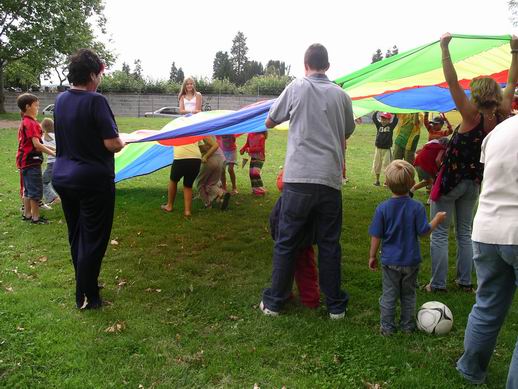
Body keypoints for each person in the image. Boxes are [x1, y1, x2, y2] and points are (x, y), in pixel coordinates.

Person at [260, 43, 356, 319]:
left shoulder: (296, 87)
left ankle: (275, 302)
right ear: (327, 65)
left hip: (299, 178)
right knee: (329, 244)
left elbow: (269, 121)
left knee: (287, 241)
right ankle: (335, 306)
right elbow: (348, 129)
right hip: (329, 179)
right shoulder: (342, 95)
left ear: (305, 64)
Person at [426, 33, 518, 293]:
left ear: (475, 96)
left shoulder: (469, 115)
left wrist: (444, 48)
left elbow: (452, 81)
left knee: (441, 233)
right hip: (475, 182)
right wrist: (514, 50)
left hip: (450, 182)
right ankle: (465, 281)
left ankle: (438, 284)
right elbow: (512, 80)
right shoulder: (502, 114)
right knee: (464, 232)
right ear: (496, 96)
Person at [52, 48, 125, 309]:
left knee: (77, 235)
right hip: (92, 181)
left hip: (63, 177)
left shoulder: (61, 100)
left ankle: (87, 284)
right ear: (93, 74)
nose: (100, 80)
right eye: (101, 74)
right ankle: (87, 297)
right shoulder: (96, 101)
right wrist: (123, 139)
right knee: (94, 239)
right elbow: (112, 144)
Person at [455, 114, 518, 388]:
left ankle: (470, 369)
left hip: (487, 229)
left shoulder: (501, 130)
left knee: (487, 304)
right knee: (487, 304)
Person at [369, 160, 446, 335]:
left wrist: (372, 256)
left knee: (389, 295)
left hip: (390, 261)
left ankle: (387, 328)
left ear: (387, 184)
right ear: (412, 184)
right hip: (411, 261)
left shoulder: (382, 209)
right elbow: (424, 232)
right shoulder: (417, 207)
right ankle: (407, 326)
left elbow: (376, 236)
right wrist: (437, 220)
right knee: (408, 295)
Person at [271, 169, 320, 308]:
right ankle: (308, 298)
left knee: (287, 266)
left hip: (289, 243)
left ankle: (299, 296)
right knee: (304, 268)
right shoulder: (308, 201)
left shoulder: (283, 201)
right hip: (300, 243)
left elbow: (274, 220)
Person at [161, 77, 203, 216]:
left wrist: (192, 114)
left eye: (192, 83)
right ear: (185, 86)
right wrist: (192, 113)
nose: (190, 85)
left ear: (193, 85)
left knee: (173, 180)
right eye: (188, 84)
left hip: (181, 156)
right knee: (188, 185)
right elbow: (181, 111)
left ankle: (170, 205)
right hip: (195, 158)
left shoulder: (198, 95)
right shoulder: (182, 96)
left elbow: (199, 110)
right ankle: (187, 211)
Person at [15, 93, 56, 224]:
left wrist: (55, 150)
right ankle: (36, 217)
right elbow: (37, 145)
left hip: (24, 161)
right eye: (36, 105)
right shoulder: (32, 123)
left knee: (27, 189)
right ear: (28, 106)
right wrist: (55, 154)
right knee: (35, 190)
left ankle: (27, 215)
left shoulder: (25, 122)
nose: (38, 108)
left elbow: (40, 144)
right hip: (31, 161)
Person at [196, 136, 230, 210]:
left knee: (200, 183)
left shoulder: (202, 134)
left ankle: (207, 204)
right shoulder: (209, 132)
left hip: (211, 159)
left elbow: (215, 145)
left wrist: (205, 156)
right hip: (220, 159)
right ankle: (221, 193)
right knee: (211, 184)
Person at [372, 111, 398, 186]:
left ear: (389, 120)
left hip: (386, 149)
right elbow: (374, 118)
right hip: (378, 148)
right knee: (377, 164)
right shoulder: (379, 125)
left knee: (387, 164)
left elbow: (396, 120)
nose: (383, 121)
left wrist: (394, 113)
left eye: (385, 119)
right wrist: (377, 110)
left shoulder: (391, 126)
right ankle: (377, 180)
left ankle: (387, 181)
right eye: (382, 119)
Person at [239, 131, 268, 196]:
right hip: (253, 157)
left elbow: (260, 148)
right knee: (251, 173)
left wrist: (250, 150)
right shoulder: (250, 134)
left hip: (260, 157)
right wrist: (243, 149)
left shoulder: (261, 136)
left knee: (255, 172)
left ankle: (261, 190)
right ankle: (255, 190)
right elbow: (247, 144)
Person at [41, 118, 60, 205]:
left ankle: (53, 198)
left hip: (52, 163)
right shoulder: (58, 135)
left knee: (43, 181)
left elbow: (42, 147)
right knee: (54, 181)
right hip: (60, 162)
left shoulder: (44, 137)